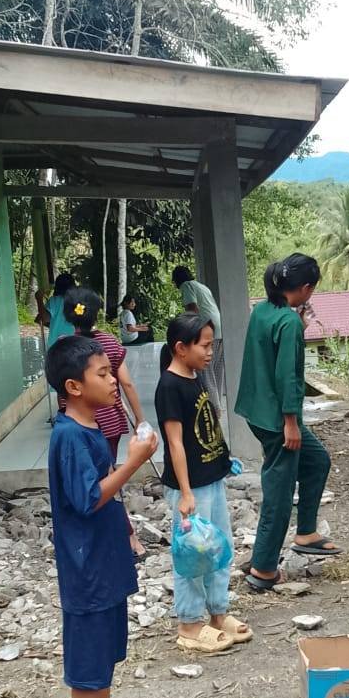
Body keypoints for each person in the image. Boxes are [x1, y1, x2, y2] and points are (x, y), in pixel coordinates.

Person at [46, 335, 158, 698]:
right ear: (74, 386)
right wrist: (133, 462)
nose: (114, 380)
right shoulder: (69, 435)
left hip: (104, 554)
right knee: (88, 654)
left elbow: (102, 493)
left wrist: (126, 525)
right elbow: (89, 499)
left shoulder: (89, 427)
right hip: (85, 564)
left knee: (108, 644)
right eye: (103, 374)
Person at [235, 253, 341, 591]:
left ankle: (306, 531)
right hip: (277, 417)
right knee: (279, 493)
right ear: (307, 288)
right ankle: (264, 568)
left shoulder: (265, 311)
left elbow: (270, 349)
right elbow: (288, 377)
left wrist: (298, 327)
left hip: (258, 410)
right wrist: (291, 422)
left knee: (317, 460)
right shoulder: (289, 322)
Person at [155, 312, 251, 655]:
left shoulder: (194, 377)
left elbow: (206, 426)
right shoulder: (169, 387)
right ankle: (190, 624)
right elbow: (176, 443)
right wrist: (183, 492)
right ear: (181, 348)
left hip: (210, 480)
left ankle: (218, 612)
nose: (210, 352)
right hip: (191, 488)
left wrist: (224, 461)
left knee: (218, 548)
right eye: (205, 345)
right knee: (192, 557)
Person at [62, 287, 148, 559]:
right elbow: (127, 383)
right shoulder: (108, 343)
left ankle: (122, 533)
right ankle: (127, 535)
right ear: (96, 313)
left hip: (78, 425)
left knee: (97, 483)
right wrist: (139, 419)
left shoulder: (64, 348)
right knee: (108, 480)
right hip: (108, 424)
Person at [172, 265, 225, 411]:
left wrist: (187, 329)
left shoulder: (186, 286)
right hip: (219, 329)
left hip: (207, 330)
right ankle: (217, 404)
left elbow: (193, 309)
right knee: (217, 371)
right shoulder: (202, 286)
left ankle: (214, 408)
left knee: (206, 371)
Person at [40, 272, 77, 349]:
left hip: (56, 345)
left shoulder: (54, 301)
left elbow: (44, 318)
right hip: (75, 344)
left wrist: (39, 299)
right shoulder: (79, 301)